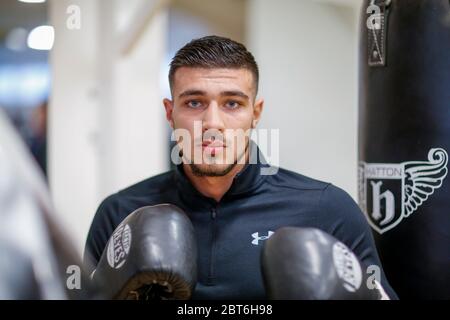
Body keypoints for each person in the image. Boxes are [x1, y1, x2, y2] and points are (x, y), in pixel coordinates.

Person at [84, 35, 397, 299]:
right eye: (194, 102)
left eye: (232, 103)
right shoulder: (120, 214)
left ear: (255, 113)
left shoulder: (326, 209)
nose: (213, 123)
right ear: (170, 112)